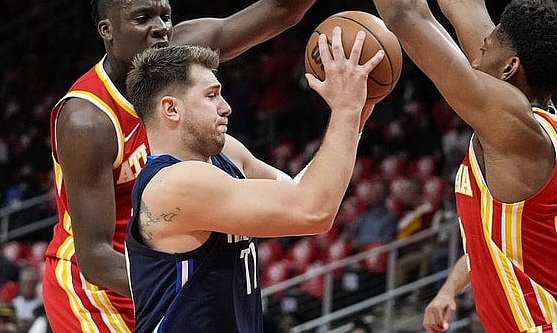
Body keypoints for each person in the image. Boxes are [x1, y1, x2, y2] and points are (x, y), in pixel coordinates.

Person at [41, 0, 387, 331]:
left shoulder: (183, 62)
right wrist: (169, 277)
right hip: (99, 290)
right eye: (143, 18)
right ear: (107, 31)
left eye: (164, 15)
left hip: (174, 257)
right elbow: (93, 256)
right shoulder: (87, 119)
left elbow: (280, 10)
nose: (160, 29)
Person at [331, 0, 557, 331]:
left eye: (492, 39)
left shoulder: (516, 126)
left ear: (511, 66)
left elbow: (405, 15)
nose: (480, 43)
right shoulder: (533, 116)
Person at [123, 37, 381, 331]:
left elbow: (300, 190)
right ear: (171, 109)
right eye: (212, 96)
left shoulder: (226, 154)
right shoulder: (173, 184)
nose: (227, 107)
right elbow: (313, 211)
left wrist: (354, 122)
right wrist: (345, 111)